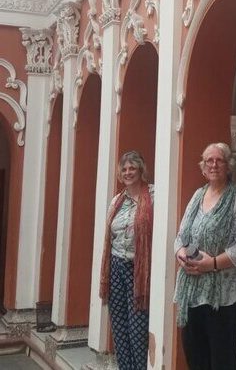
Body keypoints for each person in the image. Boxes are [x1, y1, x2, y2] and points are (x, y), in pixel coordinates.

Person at [174, 142, 236, 370]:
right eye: (209, 160)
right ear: (203, 167)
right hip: (192, 291)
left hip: (224, 294)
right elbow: (180, 236)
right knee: (195, 352)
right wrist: (180, 254)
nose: (213, 164)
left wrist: (212, 264)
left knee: (222, 357)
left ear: (228, 166)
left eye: (219, 160)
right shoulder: (197, 195)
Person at [100, 150, 154, 370]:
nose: (128, 172)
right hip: (116, 267)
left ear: (141, 170)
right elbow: (110, 236)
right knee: (120, 327)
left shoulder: (152, 196)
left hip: (138, 270)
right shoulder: (117, 201)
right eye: (124, 169)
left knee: (138, 329)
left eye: (132, 168)